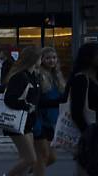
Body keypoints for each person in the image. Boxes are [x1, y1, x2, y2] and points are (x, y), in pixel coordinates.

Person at [68, 41, 98, 176]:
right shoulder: (81, 79)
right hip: (91, 132)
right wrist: (88, 134)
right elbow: (76, 112)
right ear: (89, 57)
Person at [1, 46, 41, 176]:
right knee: (30, 158)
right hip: (17, 121)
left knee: (25, 159)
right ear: (34, 59)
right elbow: (9, 99)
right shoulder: (20, 77)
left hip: (27, 122)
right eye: (40, 57)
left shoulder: (33, 75)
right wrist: (27, 106)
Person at [33, 47, 64, 176]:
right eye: (48, 58)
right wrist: (58, 101)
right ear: (42, 59)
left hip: (52, 120)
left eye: (54, 57)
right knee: (44, 155)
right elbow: (37, 101)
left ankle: (29, 170)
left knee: (52, 158)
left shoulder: (57, 75)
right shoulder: (38, 74)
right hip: (39, 119)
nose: (52, 60)